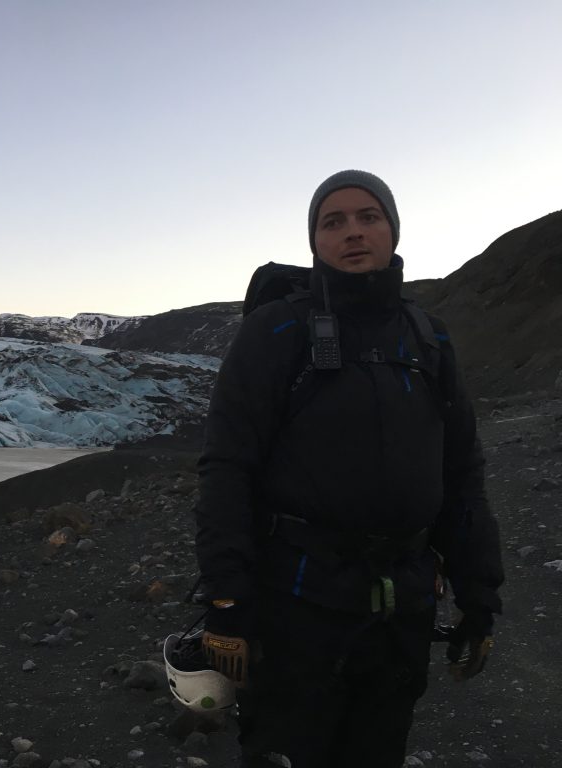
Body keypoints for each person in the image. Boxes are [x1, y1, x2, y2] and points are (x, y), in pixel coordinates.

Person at [194, 170, 504, 768]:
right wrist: (226, 602)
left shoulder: (428, 337)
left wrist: (479, 594)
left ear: (392, 228)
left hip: (402, 607)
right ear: (315, 242)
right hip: (297, 604)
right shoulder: (278, 329)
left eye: (368, 216)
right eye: (332, 222)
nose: (353, 232)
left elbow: (462, 471)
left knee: (378, 751)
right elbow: (228, 468)